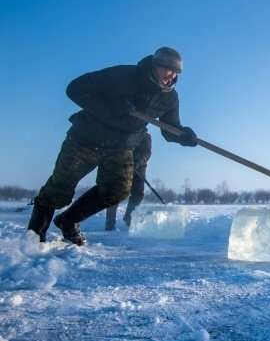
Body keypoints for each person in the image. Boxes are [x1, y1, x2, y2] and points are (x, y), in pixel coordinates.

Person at [26, 47, 198, 245]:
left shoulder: (169, 97)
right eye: (167, 69)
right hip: (85, 139)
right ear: (154, 65)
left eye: (176, 72)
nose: (172, 75)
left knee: (116, 190)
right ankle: (34, 237)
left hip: (121, 147)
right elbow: (75, 88)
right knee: (58, 189)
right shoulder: (124, 75)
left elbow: (170, 129)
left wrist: (184, 136)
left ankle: (68, 221)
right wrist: (109, 107)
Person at [104, 131, 151, 230]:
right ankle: (110, 221)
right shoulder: (121, 131)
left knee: (138, 194)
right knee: (115, 193)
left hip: (139, 169)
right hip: (120, 167)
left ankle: (129, 217)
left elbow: (146, 153)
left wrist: (138, 163)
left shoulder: (145, 136)